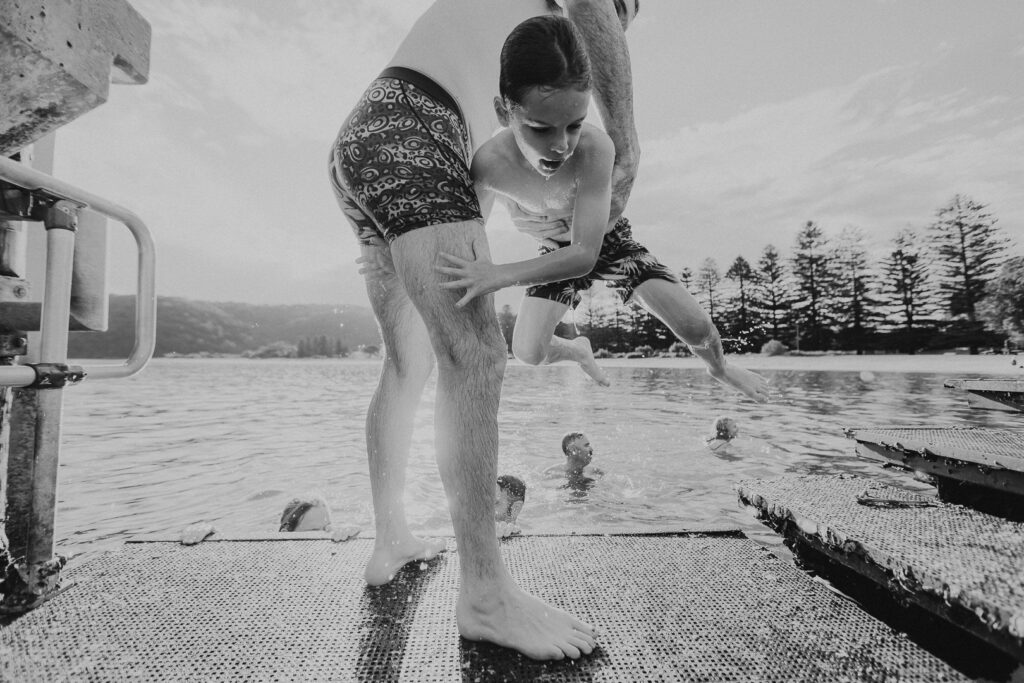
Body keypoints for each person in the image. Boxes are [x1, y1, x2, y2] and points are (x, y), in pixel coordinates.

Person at [329, 0, 639, 661]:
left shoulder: (511, 51)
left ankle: (391, 540)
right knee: (477, 355)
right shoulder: (572, 17)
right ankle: (486, 594)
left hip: (367, 133)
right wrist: (629, 140)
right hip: (418, 124)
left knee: (409, 362)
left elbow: (485, 195)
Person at [436, 18, 770, 404]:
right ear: (502, 112)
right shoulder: (487, 166)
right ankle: (577, 350)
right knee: (528, 352)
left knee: (697, 329)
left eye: (574, 125)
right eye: (541, 129)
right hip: (553, 252)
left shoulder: (595, 148)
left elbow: (584, 254)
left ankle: (720, 368)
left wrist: (500, 275)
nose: (561, 145)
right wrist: (386, 259)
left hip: (609, 244)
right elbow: (456, 226)